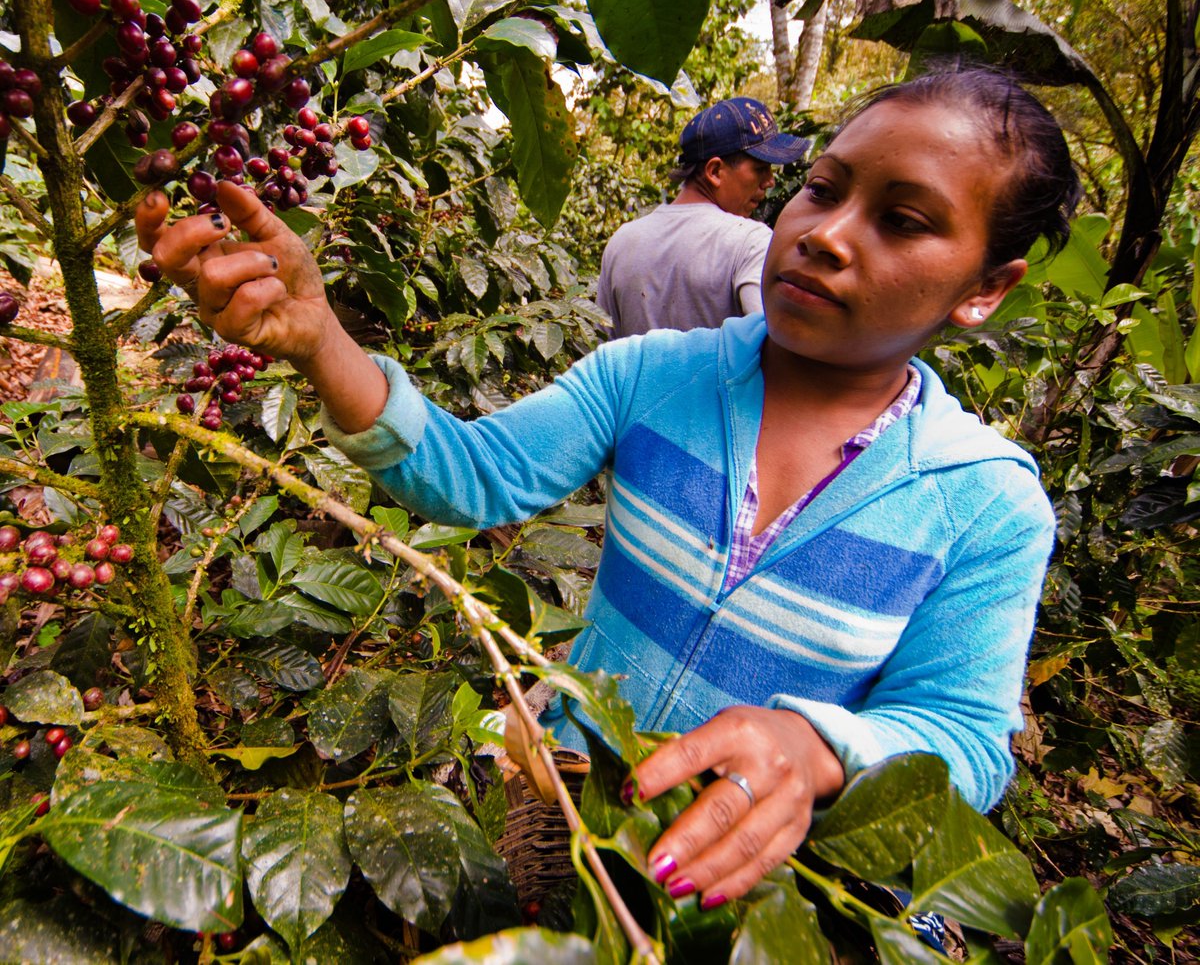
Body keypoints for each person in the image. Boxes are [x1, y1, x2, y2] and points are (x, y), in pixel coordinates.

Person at [136, 65, 1081, 913]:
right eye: (823, 189)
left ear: (986, 287)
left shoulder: (984, 501)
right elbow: (476, 474)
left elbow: (966, 739)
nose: (826, 234)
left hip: (757, 888)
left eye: (904, 221)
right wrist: (321, 341)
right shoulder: (650, 375)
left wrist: (815, 748)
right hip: (568, 799)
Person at [596, 96, 809, 337]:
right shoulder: (749, 242)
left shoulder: (622, 241)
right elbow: (775, 343)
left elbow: (601, 345)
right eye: (760, 169)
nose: (770, 181)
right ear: (715, 171)